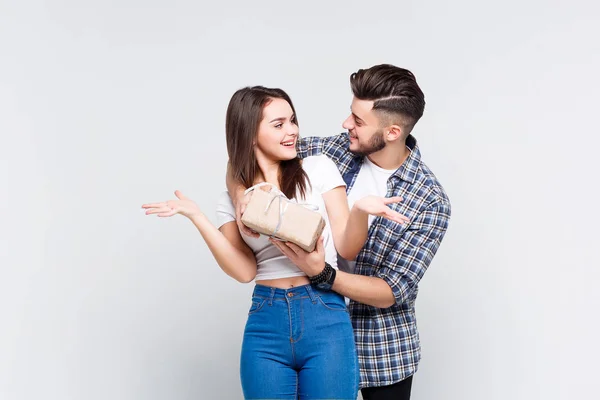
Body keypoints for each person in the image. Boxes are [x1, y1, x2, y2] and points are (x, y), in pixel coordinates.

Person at [142, 85, 409, 400]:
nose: (292, 130)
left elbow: (347, 249)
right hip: (266, 321)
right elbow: (244, 271)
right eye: (279, 124)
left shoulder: (318, 168)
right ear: (250, 134)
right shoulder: (231, 199)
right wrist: (198, 217)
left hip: (323, 313)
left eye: (293, 120)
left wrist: (360, 212)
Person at [227, 65, 451, 400]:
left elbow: (393, 290)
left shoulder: (429, 199)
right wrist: (242, 198)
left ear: (391, 132)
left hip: (381, 346)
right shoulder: (325, 152)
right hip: (303, 323)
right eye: (351, 113)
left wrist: (322, 273)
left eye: (358, 121)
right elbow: (245, 155)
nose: (346, 124)